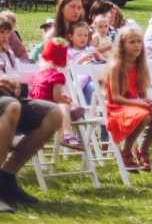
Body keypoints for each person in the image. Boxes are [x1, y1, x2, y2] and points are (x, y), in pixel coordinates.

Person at [0, 16, 63, 212]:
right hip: (8, 105)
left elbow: (12, 76)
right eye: (1, 32)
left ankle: (6, 178)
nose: (5, 36)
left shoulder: (8, 52)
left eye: (7, 32)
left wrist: (16, 84)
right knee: (12, 107)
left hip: (10, 100)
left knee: (54, 112)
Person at [105, 26, 152, 170]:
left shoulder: (140, 65)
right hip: (118, 107)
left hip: (136, 105)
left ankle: (143, 149)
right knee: (144, 116)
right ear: (122, 46)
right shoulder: (116, 65)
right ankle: (126, 150)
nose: (137, 45)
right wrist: (140, 104)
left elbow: (142, 94)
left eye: (139, 41)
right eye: (132, 42)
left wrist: (147, 101)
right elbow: (116, 98)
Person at [28, 36, 83, 151]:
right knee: (63, 105)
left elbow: (46, 92)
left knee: (63, 102)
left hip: (33, 106)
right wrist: (68, 102)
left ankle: (71, 111)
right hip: (46, 108)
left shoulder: (40, 72)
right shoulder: (56, 75)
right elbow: (57, 97)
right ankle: (68, 134)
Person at [67, 20, 100, 105]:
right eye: (79, 35)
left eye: (85, 35)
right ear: (71, 37)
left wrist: (98, 57)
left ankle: (93, 111)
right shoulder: (70, 52)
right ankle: (74, 97)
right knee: (90, 85)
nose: (83, 38)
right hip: (78, 79)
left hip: (94, 76)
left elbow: (100, 61)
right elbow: (70, 69)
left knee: (95, 86)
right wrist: (83, 59)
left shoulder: (90, 49)